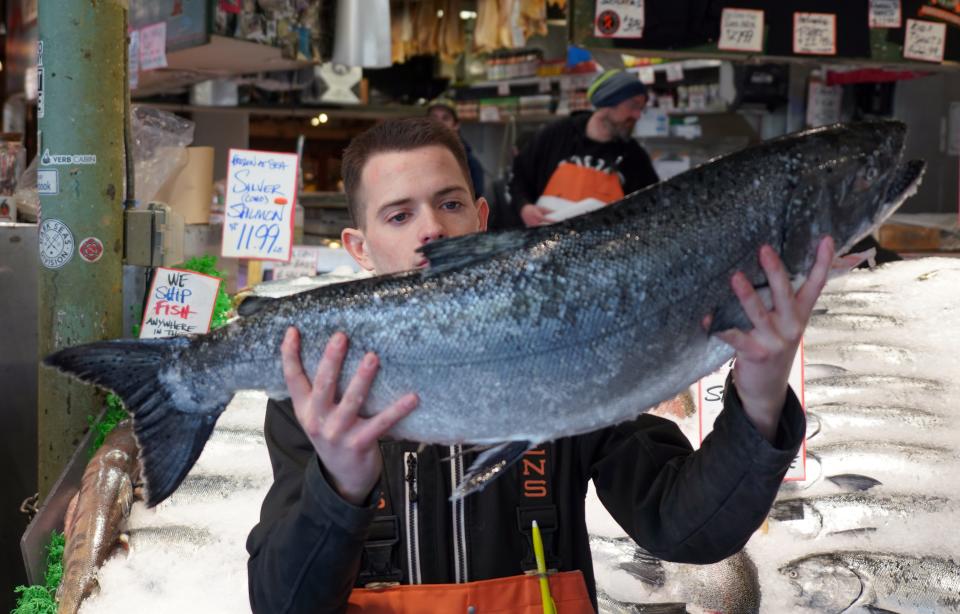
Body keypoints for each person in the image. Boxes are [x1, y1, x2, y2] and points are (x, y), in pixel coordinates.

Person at [246, 117, 833, 613]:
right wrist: (339, 489)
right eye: (398, 216)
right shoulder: (319, 393)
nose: (431, 229)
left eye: (448, 203)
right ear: (359, 246)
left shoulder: (578, 347)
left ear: (479, 217)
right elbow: (282, 602)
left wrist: (760, 399)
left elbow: (687, 527)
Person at [509, 69, 660, 227]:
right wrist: (524, 207)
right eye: (633, 106)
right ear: (607, 102)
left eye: (641, 108)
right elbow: (518, 178)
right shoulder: (556, 134)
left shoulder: (635, 157)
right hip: (545, 243)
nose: (637, 115)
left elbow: (650, 207)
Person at [427, 97, 485, 199]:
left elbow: (475, 199)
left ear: (456, 125)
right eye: (434, 118)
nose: (438, 123)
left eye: (445, 118)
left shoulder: (469, 162)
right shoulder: (416, 155)